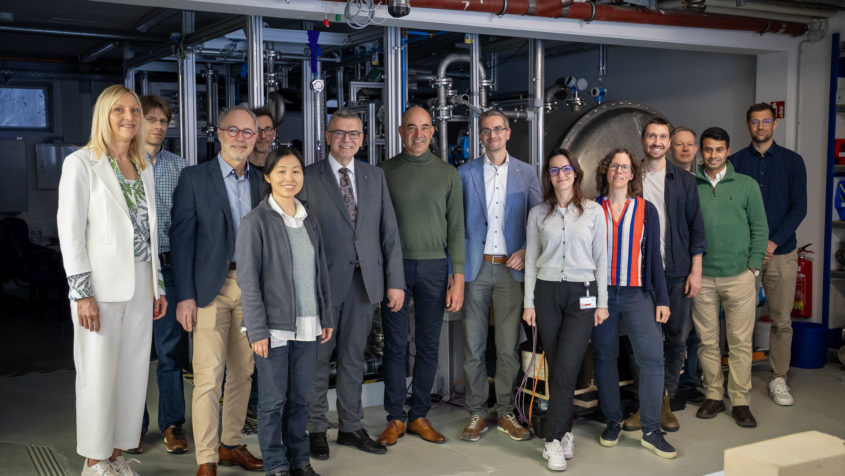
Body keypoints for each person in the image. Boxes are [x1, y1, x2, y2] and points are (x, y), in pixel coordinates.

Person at [57, 84, 167, 476]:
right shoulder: (82, 164)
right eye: (119, 110)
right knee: (98, 372)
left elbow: (151, 233)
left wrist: (158, 286)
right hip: (100, 288)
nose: (129, 117)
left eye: (135, 110)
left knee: (133, 373)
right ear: (104, 115)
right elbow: (70, 232)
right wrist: (82, 292)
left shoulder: (142, 166)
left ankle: (116, 454)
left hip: (140, 283)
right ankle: (93, 459)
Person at [301, 109, 405, 459]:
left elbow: (388, 231)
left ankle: (350, 426)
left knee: (353, 358)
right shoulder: (308, 176)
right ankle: (315, 427)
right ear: (327, 137)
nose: (348, 139)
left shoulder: (374, 176)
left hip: (365, 282)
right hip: (324, 284)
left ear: (363, 138)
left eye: (355, 133)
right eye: (340, 133)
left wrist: (395, 282)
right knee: (318, 357)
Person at [171, 105, 265, 476]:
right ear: (219, 133)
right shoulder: (195, 179)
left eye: (248, 132)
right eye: (234, 131)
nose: (241, 138)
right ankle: (206, 458)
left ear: (256, 137)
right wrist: (186, 295)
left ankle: (230, 443)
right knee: (208, 377)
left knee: (243, 373)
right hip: (210, 287)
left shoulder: (261, 180)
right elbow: (181, 242)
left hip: (253, 288)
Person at [237, 147, 335, 476]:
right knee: (272, 402)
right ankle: (276, 466)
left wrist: (326, 316)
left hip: (309, 324)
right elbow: (248, 282)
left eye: (295, 171)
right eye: (281, 171)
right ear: (267, 177)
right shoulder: (256, 222)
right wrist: (257, 330)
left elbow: (319, 271)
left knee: (300, 399)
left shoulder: (309, 219)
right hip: (274, 327)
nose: (289, 178)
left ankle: (300, 461)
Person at [378, 106, 465, 446]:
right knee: (396, 345)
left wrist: (457, 278)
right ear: (400, 131)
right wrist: (386, 272)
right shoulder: (384, 171)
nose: (418, 133)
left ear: (433, 131)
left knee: (428, 345)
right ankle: (395, 418)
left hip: (434, 268)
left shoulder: (448, 175)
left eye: (424, 127)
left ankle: (419, 415)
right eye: (411, 127)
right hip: (396, 268)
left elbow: (457, 230)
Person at [457, 110, 542, 443]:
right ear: (480, 136)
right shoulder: (464, 174)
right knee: (473, 348)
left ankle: (505, 410)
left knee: (507, 347)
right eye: (485, 130)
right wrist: (457, 273)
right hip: (476, 267)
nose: (492, 135)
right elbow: (456, 227)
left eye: (497, 129)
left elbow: (538, 220)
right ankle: (478, 412)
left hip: (512, 270)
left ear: (508, 133)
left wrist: (526, 249)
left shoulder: (527, 173)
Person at [522, 149, 607, 471]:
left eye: (566, 168)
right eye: (555, 170)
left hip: (582, 295)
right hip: (546, 293)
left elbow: (602, 259)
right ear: (549, 176)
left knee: (567, 365)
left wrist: (602, 302)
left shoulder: (593, 212)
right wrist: (529, 303)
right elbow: (530, 259)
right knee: (558, 367)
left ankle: (552, 440)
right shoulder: (537, 214)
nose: (561, 174)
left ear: (576, 172)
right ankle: (566, 431)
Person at [593, 148, 676, 459]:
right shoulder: (592, 208)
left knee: (652, 359)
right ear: (606, 170)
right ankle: (612, 421)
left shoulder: (646, 210)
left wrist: (662, 299)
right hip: (602, 295)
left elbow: (654, 258)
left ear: (632, 174)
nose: (619, 171)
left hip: (638, 293)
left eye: (625, 167)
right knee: (604, 357)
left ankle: (652, 430)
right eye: (614, 165)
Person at [624, 118, 705, 433]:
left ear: (668, 142)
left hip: (676, 271)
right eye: (651, 136)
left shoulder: (683, 180)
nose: (656, 141)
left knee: (675, 338)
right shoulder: (630, 177)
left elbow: (696, 228)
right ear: (643, 140)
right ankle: (650, 401)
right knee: (640, 341)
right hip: (638, 272)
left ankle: (664, 400)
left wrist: (695, 271)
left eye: (662, 137)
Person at [730, 103, 807, 407]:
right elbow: (731, 208)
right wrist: (750, 247)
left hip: (781, 254)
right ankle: (738, 380)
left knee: (781, 321)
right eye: (754, 122)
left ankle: (778, 378)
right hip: (743, 257)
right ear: (747, 126)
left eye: (765, 121)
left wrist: (772, 243)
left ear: (774, 125)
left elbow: (798, 208)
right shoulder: (734, 162)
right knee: (739, 321)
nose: (760, 127)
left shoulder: (793, 162)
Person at [127, 94, 190, 455]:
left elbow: (185, 224)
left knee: (169, 351)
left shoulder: (180, 167)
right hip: (133, 268)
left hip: (167, 267)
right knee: (134, 351)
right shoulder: (121, 164)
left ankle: (171, 425)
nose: (158, 125)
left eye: (163, 120)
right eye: (151, 119)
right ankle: (133, 426)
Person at [693, 127, 768, 428]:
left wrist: (752, 268)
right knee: (707, 341)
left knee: (739, 342)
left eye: (719, 149)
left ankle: (740, 401)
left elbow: (760, 229)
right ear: (701, 151)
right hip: (702, 278)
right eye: (708, 150)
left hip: (739, 276)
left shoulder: (747, 185)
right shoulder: (690, 185)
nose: (713, 155)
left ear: (727, 151)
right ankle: (713, 394)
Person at [248, 107, 276, 171]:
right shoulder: (238, 168)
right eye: (257, 130)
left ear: (274, 133)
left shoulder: (280, 168)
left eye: (268, 129)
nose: (263, 136)